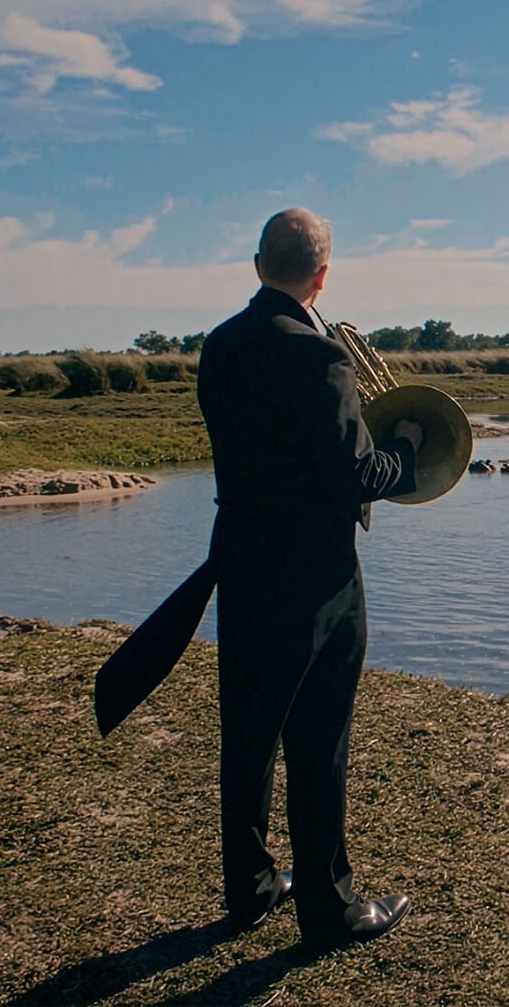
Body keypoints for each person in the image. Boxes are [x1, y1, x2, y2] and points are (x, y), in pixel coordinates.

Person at [94, 207, 421, 948]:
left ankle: (249, 889)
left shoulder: (220, 347)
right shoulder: (321, 358)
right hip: (319, 582)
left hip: (239, 564)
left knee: (246, 734)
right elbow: (358, 475)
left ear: (256, 265)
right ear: (323, 275)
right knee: (317, 741)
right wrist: (402, 446)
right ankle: (331, 909)